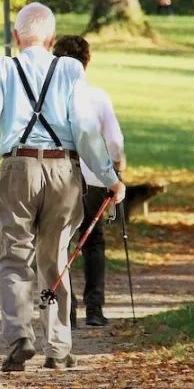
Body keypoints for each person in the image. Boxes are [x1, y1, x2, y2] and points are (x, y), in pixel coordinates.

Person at [0, 2, 126, 372]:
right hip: (63, 171)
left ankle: (20, 337)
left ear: (16, 37)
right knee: (56, 259)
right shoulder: (71, 70)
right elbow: (86, 132)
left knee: (13, 256)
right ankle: (58, 348)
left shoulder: (3, 68)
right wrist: (110, 178)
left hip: (17, 168)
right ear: (52, 39)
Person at [52, 36, 126, 328]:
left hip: (60, 176)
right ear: (87, 62)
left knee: (61, 242)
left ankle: (66, 311)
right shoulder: (97, 97)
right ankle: (94, 308)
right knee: (93, 242)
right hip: (95, 177)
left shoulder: (51, 98)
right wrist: (118, 167)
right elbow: (115, 140)